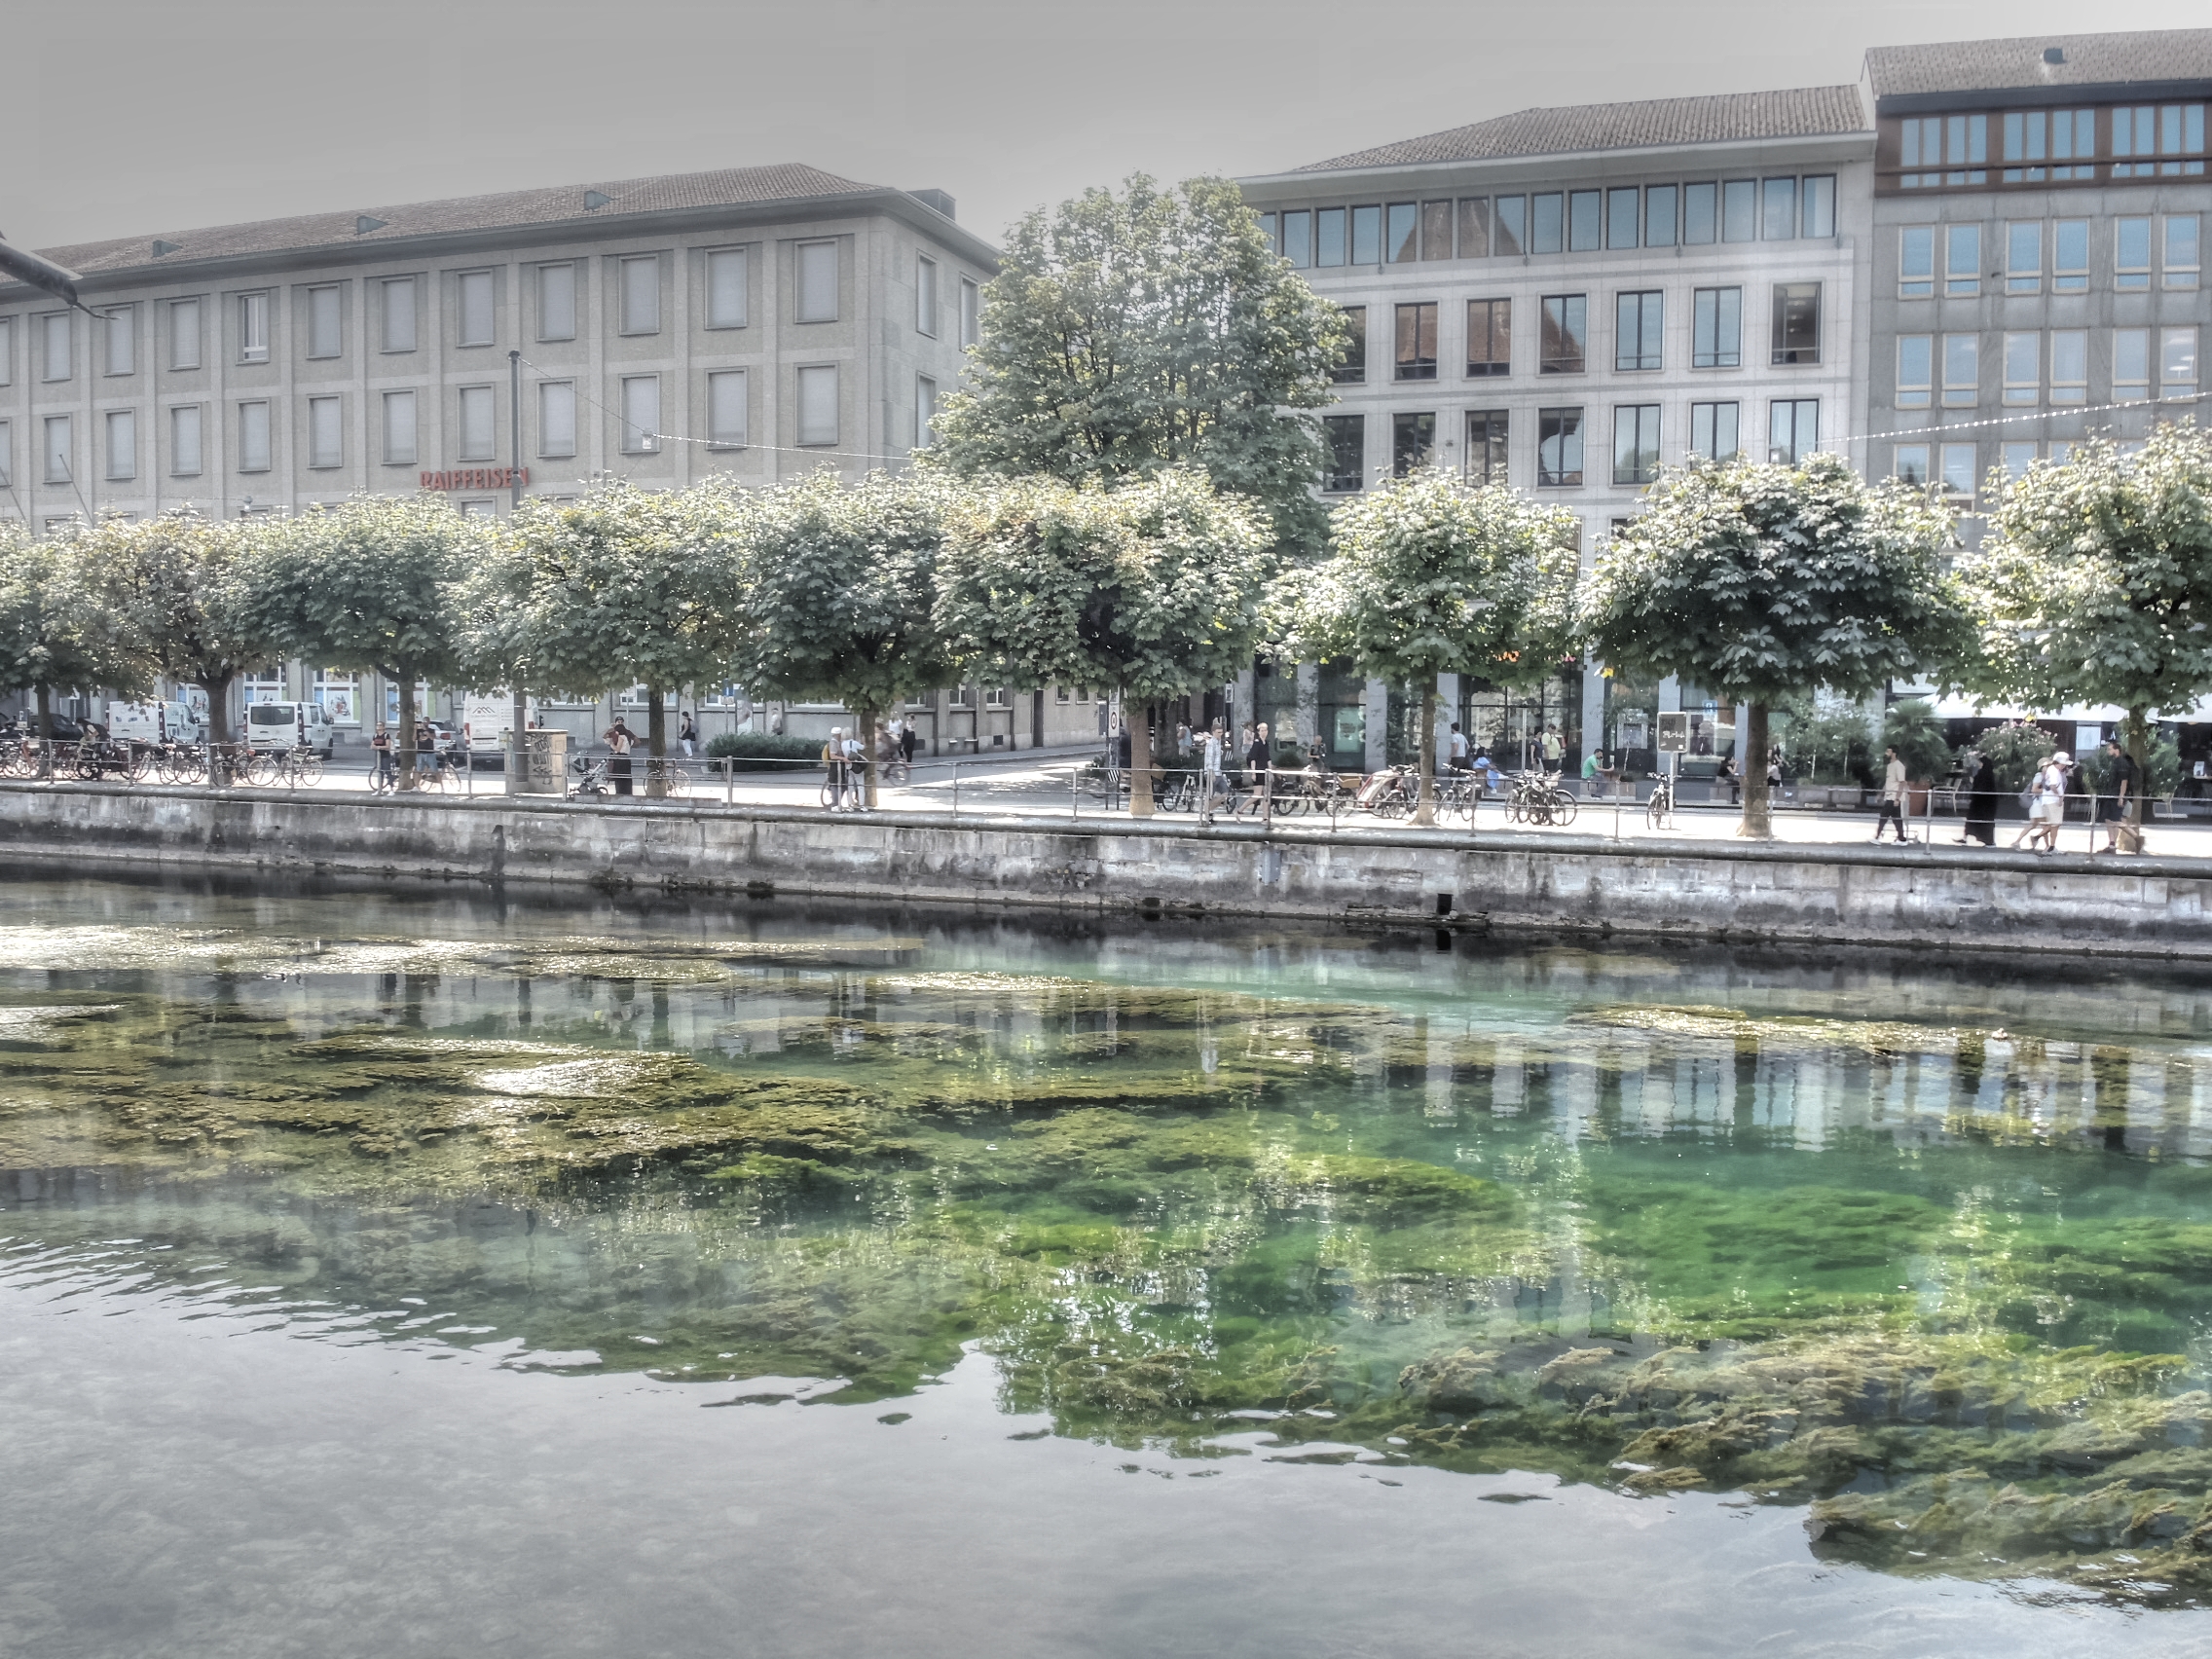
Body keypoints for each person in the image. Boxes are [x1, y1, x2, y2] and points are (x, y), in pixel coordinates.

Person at [2096, 738, 2141, 855]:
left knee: (2115, 820)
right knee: (2109, 819)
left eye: (2110, 749)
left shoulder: (2121, 763)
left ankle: (2136, 837)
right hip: (2111, 794)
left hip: (2116, 795)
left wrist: (2121, 796)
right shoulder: (2116, 762)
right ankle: (2112, 844)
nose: (2108, 751)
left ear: (2117, 750)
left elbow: (2124, 781)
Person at [1959, 750, 1999, 847]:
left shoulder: (1984, 774)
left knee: (1980, 821)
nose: (1979, 764)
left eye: (1980, 763)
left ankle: (1988, 841)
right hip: (1982, 803)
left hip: (1982, 803)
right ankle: (1965, 837)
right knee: (1974, 820)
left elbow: (1980, 787)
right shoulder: (1988, 774)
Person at [1873, 745, 1909, 842]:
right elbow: (1888, 783)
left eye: (1888, 751)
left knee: (1883, 816)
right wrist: (1880, 794)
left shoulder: (1899, 765)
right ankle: (1901, 839)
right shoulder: (1890, 766)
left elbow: (1902, 782)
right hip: (1889, 796)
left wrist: (1897, 798)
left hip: (1893, 797)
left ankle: (1877, 837)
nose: (1886, 753)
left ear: (1894, 753)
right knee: (1896, 819)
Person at [1199, 721, 1226, 824]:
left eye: (1221, 732)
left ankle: (1207, 810)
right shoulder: (1211, 744)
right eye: (1218, 732)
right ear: (1213, 732)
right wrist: (1212, 774)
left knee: (1225, 793)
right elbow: (1209, 760)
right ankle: (1207, 816)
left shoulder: (1218, 743)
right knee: (1210, 795)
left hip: (1218, 772)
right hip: (1212, 773)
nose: (1220, 734)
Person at [604, 717, 635, 796]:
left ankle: (620, 793)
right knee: (626, 777)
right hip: (626, 758)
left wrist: (611, 743)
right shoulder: (628, 735)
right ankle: (628, 793)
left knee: (619, 777)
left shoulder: (621, 737)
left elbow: (617, 748)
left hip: (620, 758)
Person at [821, 726, 847, 810]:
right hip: (835, 766)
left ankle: (836, 803)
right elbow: (833, 756)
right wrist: (843, 758)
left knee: (842, 785)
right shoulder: (834, 743)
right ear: (839, 734)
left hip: (839, 766)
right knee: (835, 785)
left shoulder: (838, 742)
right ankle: (835, 805)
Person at [370, 724, 394, 791]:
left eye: (380, 725)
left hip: (385, 756)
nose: (378, 726)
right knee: (380, 772)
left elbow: (387, 746)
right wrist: (378, 747)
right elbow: (372, 746)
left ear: (383, 727)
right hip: (378, 756)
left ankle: (391, 788)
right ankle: (380, 789)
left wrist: (378, 747)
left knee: (387, 771)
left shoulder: (386, 735)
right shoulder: (375, 735)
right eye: (377, 725)